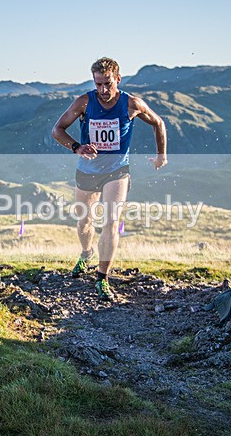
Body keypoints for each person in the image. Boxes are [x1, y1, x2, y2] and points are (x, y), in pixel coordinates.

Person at [52, 57, 167, 300]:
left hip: (117, 171)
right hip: (87, 170)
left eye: (108, 84)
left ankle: (102, 277)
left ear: (118, 79)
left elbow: (158, 123)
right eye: (98, 85)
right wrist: (76, 147)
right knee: (84, 222)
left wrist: (161, 155)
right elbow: (57, 130)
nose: (103, 90)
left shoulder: (131, 104)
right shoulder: (84, 102)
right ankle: (86, 253)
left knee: (111, 222)